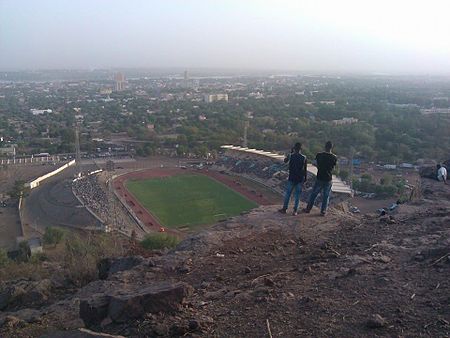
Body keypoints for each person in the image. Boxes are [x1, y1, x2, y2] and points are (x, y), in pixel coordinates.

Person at [304, 141, 337, 216]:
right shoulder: (334, 157)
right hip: (328, 179)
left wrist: (320, 167)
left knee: (314, 194)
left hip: (320, 177)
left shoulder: (319, 155)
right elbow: (333, 168)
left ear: (325, 146)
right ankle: (323, 211)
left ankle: (308, 209)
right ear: (331, 147)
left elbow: (314, 163)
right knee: (326, 196)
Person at [278, 142, 307, 216]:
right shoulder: (304, 157)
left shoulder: (291, 155)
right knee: (297, 196)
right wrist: (305, 178)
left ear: (294, 148)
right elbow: (305, 170)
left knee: (288, 194)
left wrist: (290, 153)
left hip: (292, 177)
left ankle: (284, 209)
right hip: (299, 178)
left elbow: (285, 161)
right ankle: (295, 211)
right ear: (300, 149)